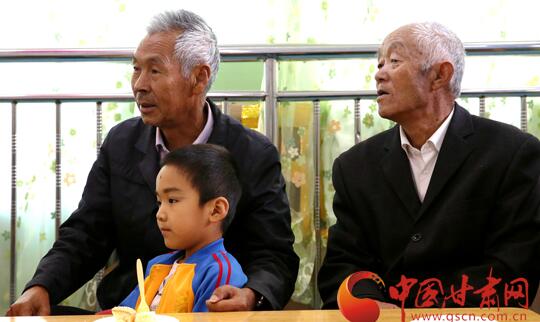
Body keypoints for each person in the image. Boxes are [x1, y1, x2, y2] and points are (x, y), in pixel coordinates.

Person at [8, 9, 298, 316]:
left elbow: (274, 253)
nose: (139, 85)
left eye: (155, 71)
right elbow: (85, 234)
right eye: (136, 69)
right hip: (131, 309)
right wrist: (41, 286)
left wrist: (251, 295)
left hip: (210, 311)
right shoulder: (121, 143)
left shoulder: (252, 153)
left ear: (199, 78)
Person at [318, 22, 540, 308]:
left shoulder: (512, 153)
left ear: (439, 75)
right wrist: (373, 305)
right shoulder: (355, 166)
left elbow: (514, 268)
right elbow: (342, 265)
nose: (379, 74)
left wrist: (413, 309)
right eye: (380, 63)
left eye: (394, 61)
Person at [120, 144, 247, 313]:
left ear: (216, 210)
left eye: (172, 200)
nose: (160, 214)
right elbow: (123, 314)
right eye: (159, 202)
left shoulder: (220, 273)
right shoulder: (158, 265)